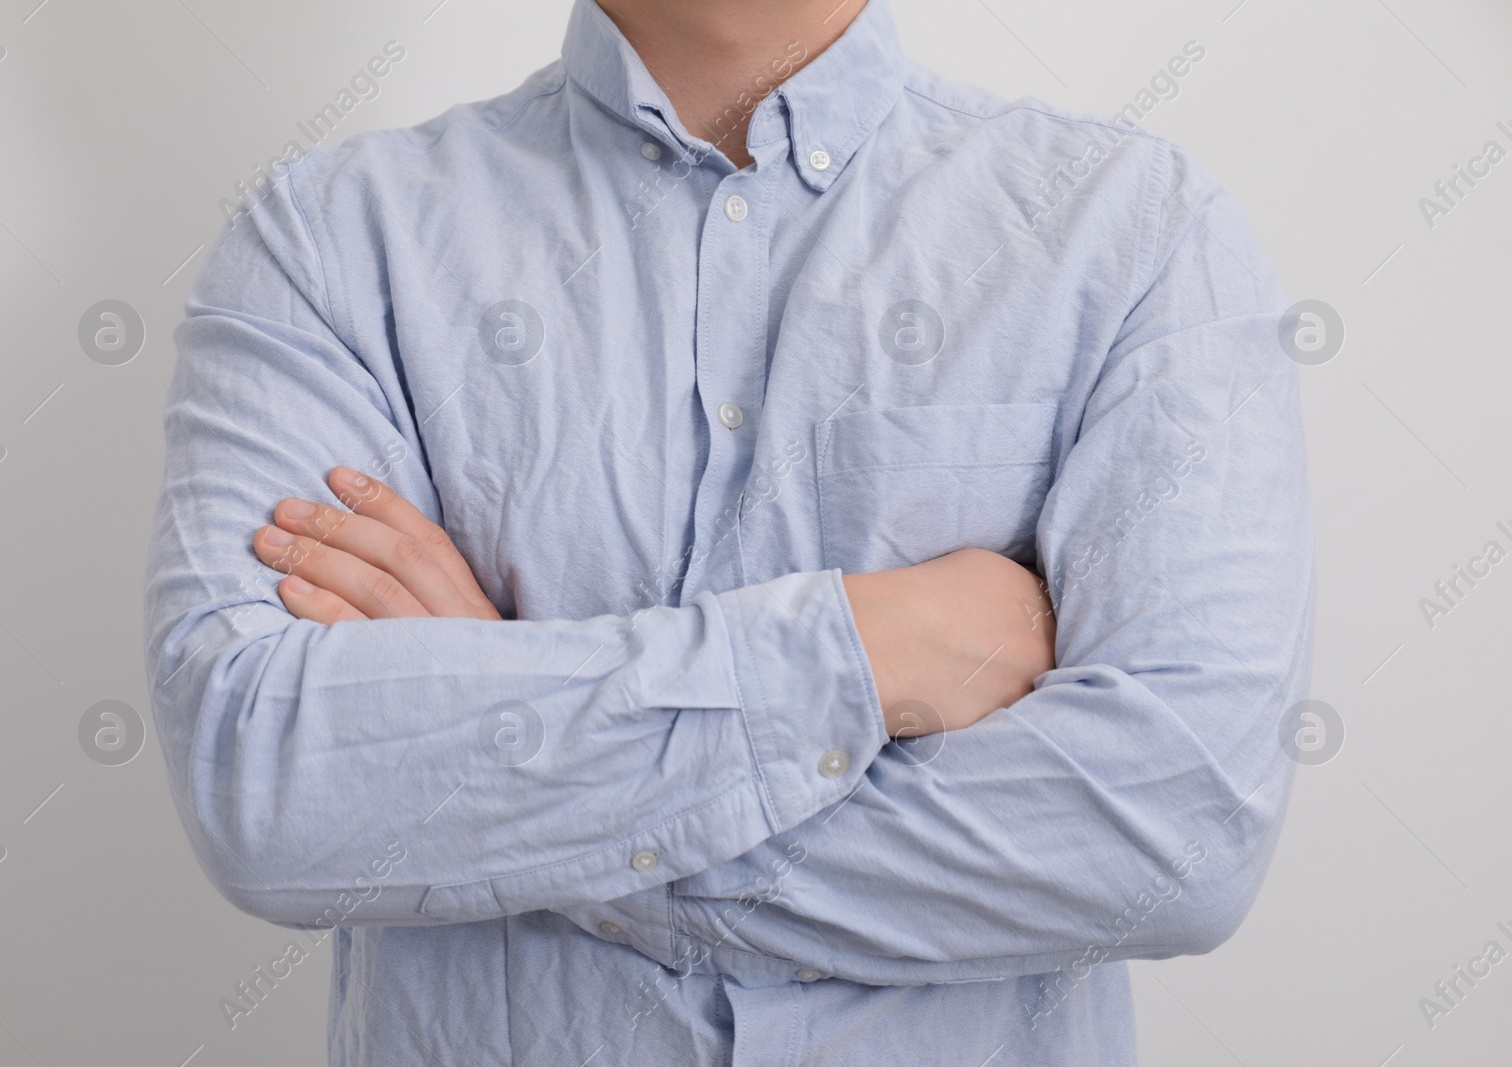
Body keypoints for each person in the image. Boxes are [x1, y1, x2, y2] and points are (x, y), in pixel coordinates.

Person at [144, 0, 1314, 1062]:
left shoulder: (1137, 234)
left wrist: (506, 784)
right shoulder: (329, 243)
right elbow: (273, 788)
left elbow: (1171, 837)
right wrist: (870, 646)